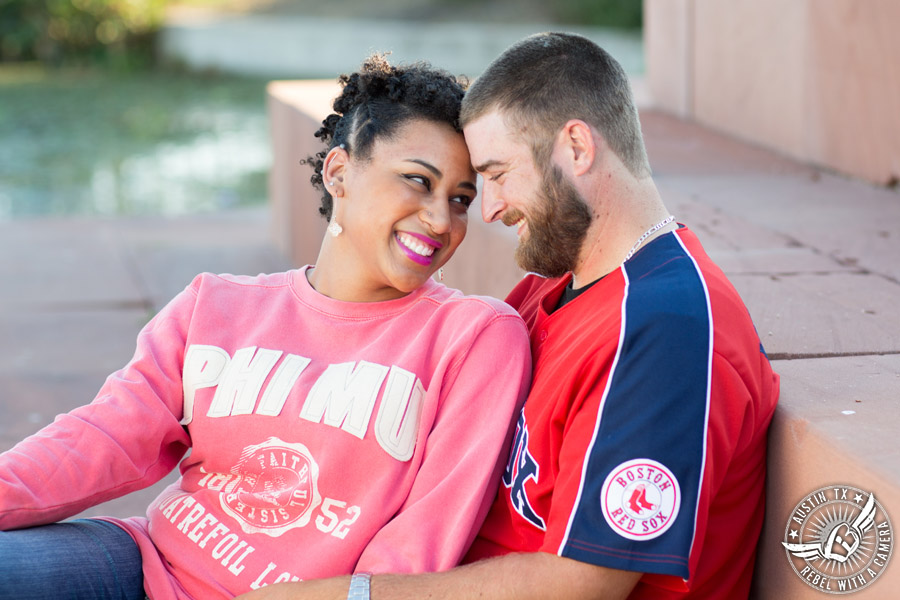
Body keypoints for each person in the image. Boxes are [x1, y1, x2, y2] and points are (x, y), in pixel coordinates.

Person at [237, 32, 780, 600]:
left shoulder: (663, 327)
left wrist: (348, 594)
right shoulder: (548, 289)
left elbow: (582, 584)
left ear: (575, 147)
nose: (490, 209)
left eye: (496, 175)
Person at [0, 55, 532, 600]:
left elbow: (417, 549)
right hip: (143, 565)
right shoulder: (217, 304)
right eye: (418, 181)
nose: (441, 220)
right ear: (339, 173)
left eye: (460, 200)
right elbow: (103, 437)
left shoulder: (474, 338)